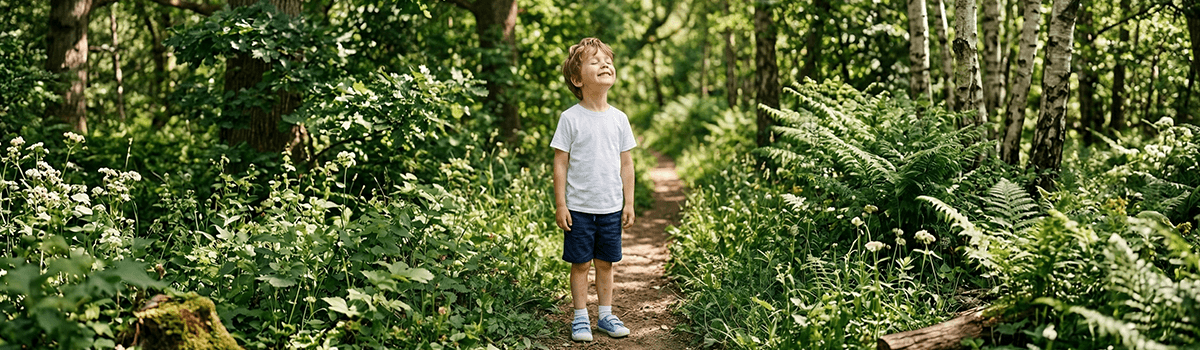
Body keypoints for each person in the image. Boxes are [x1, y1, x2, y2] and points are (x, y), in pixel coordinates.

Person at [550, 37, 636, 342]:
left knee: (605, 263)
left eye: (608, 61)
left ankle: (605, 315)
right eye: (595, 61)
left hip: (611, 206)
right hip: (579, 208)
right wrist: (561, 204)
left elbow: (627, 164)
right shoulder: (570, 118)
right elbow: (560, 163)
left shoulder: (619, 119)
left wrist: (629, 203)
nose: (605, 64)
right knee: (580, 263)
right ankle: (580, 317)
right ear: (577, 78)